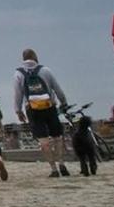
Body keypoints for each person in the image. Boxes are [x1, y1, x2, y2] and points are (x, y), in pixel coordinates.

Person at [13, 48, 71, 178]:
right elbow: (57, 89)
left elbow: (18, 94)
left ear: (23, 58)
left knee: (43, 140)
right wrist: (63, 102)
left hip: (33, 109)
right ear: (35, 57)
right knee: (57, 137)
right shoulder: (45, 70)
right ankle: (61, 163)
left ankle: (53, 169)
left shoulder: (18, 74)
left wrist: (18, 111)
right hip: (49, 107)